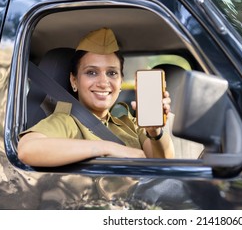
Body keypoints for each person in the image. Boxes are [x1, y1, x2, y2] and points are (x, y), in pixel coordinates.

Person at [17, 27, 174, 167]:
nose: (103, 82)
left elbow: (163, 165)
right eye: (91, 72)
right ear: (74, 81)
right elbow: (27, 150)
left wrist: (155, 132)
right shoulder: (66, 121)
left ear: (121, 83)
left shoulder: (132, 124)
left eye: (112, 73)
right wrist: (108, 148)